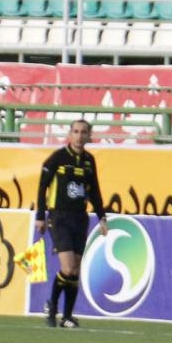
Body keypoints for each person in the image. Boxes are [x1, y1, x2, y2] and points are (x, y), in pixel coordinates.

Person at [35, 119, 108, 329]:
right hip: (59, 217)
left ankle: (67, 316)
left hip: (80, 218)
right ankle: (51, 305)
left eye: (83, 132)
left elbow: (95, 191)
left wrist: (102, 217)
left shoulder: (89, 161)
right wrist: (40, 215)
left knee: (75, 270)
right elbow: (42, 186)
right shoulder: (58, 158)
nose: (79, 136)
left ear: (89, 136)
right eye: (75, 131)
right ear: (70, 134)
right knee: (67, 268)